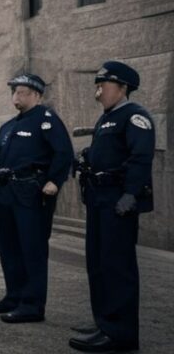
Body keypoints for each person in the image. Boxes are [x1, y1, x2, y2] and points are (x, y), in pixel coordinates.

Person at [69, 62, 154, 353]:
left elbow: (141, 158)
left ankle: (120, 335)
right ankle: (104, 321)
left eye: (103, 86)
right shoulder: (107, 119)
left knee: (117, 267)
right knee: (98, 265)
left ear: (122, 87)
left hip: (118, 202)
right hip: (99, 199)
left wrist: (130, 194)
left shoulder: (135, 117)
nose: (98, 92)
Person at [0, 73, 72, 324]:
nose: (17, 96)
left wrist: (54, 180)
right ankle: (14, 296)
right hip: (6, 192)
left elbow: (63, 152)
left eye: (22, 92)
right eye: (15, 91)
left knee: (31, 249)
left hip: (31, 192)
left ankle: (32, 305)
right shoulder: (9, 126)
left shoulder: (46, 120)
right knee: (9, 249)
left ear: (36, 95)